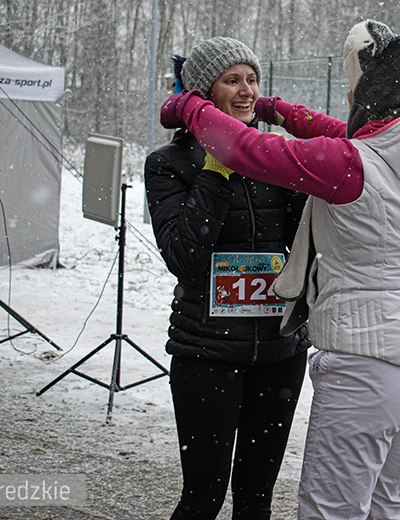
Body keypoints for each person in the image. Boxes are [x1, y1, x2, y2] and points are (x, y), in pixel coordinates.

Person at [158, 18, 400, 519]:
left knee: (330, 511)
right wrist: (279, 110)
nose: (347, 96)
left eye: (353, 88)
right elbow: (353, 133)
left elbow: (245, 149)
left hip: (368, 361)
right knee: (387, 503)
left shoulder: (350, 164)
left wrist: (189, 105)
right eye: (232, 79)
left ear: (373, 91)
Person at [144, 37, 311, 520]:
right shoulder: (168, 163)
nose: (246, 91)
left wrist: (297, 172)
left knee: (257, 502)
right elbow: (184, 256)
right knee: (202, 500)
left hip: (279, 355)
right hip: (208, 354)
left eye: (253, 80)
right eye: (232, 80)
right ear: (203, 94)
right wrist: (218, 167)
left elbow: (307, 243)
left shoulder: (273, 155)